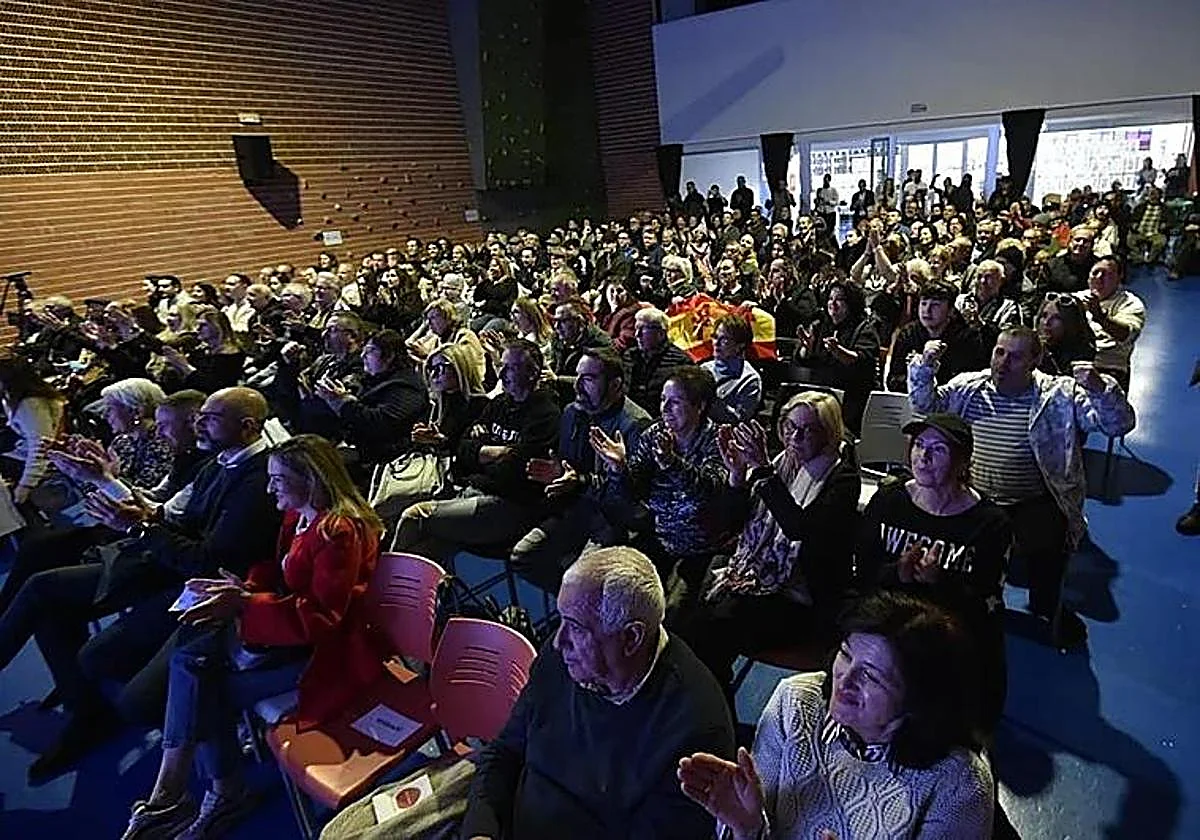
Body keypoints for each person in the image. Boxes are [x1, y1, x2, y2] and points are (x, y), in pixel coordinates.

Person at [0, 387, 282, 781]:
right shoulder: (217, 463)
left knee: (120, 683)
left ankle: (214, 759)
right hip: (168, 564)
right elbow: (165, 512)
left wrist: (140, 526)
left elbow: (208, 560)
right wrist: (100, 479)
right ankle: (89, 712)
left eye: (210, 418)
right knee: (48, 596)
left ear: (248, 427)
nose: (199, 424)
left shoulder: (257, 481)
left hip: (201, 587)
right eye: (199, 417)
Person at [120, 434, 383, 838]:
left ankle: (194, 795)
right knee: (192, 663)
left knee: (203, 689)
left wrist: (244, 604)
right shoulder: (299, 517)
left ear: (312, 480)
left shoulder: (339, 531)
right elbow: (280, 572)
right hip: (292, 638)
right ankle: (186, 796)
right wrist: (243, 587)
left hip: (330, 654)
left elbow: (323, 618)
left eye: (278, 479)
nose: (270, 488)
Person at [461, 546, 736, 839]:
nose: (558, 642)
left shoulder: (696, 731)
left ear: (631, 638)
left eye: (575, 628)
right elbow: (505, 751)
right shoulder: (564, 658)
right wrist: (481, 831)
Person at [678, 589, 993, 840]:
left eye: (870, 676)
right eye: (845, 654)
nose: (844, 680)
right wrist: (747, 829)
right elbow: (755, 826)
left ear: (918, 700)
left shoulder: (959, 784)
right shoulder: (797, 701)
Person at [908, 326, 1136, 647]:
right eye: (999, 352)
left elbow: (1120, 424)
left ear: (1034, 361)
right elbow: (924, 405)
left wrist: (1099, 387)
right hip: (974, 499)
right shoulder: (968, 388)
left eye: (1015, 357)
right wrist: (925, 367)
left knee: (1050, 540)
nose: (1002, 363)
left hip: (1032, 501)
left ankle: (1046, 604)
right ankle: (956, 601)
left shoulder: (1059, 395)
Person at [678, 392, 860, 694]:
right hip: (758, 579)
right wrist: (737, 477)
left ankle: (711, 706)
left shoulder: (843, 479)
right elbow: (729, 524)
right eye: (790, 427)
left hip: (800, 596)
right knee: (692, 619)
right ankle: (709, 700)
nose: (795, 437)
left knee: (711, 629)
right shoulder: (780, 464)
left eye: (807, 430)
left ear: (828, 433)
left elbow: (798, 529)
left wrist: (763, 470)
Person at [856, 414, 1012, 729]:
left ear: (962, 461)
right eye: (919, 445)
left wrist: (941, 582)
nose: (923, 457)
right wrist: (897, 573)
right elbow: (863, 572)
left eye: (938, 449)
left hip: (947, 633)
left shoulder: (989, 523)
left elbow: (985, 603)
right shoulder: (889, 500)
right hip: (889, 623)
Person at [393, 340, 560, 562]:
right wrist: (494, 453)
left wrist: (480, 453)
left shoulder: (546, 415)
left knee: (414, 517)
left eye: (511, 368)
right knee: (424, 548)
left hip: (511, 505)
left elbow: (515, 471)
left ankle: (384, 581)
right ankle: (404, 582)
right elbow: (463, 447)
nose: (502, 375)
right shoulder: (499, 403)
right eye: (501, 366)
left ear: (532, 372)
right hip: (477, 490)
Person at [590, 367, 733, 611]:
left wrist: (671, 463)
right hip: (659, 537)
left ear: (699, 406)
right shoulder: (654, 434)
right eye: (663, 399)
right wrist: (619, 468)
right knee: (615, 594)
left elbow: (708, 494)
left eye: (675, 402)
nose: (665, 408)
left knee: (673, 610)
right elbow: (632, 494)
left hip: (701, 547)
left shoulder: (718, 440)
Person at [512, 347, 651, 590]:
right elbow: (570, 469)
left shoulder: (635, 426)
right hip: (576, 509)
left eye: (588, 378)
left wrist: (580, 481)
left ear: (615, 385)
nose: (577, 385)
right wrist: (559, 474)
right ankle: (573, 603)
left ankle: (578, 602)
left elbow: (628, 502)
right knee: (523, 557)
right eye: (577, 376)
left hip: (613, 522)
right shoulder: (572, 413)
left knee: (578, 581)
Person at [312, 328, 428, 473]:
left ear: (389, 356)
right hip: (360, 447)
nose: (363, 355)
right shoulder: (376, 379)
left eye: (370, 351)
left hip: (385, 460)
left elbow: (380, 424)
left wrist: (342, 402)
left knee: (319, 466)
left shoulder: (406, 386)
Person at [793, 281, 881, 434]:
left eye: (839, 299)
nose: (833, 304)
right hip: (818, 395)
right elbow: (802, 361)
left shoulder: (864, 328)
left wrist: (838, 351)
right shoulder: (819, 325)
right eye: (830, 298)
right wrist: (806, 349)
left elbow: (861, 361)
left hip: (850, 400)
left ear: (851, 304)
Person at [886, 281, 986, 393]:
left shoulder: (967, 338)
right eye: (923, 303)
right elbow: (893, 380)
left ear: (951, 310)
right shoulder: (908, 334)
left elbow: (972, 382)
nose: (927, 310)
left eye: (935, 305)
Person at [0, 353, 66, 506]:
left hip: (36, 463)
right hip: (21, 452)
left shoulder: (30, 404)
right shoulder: (13, 397)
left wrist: (26, 484)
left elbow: (41, 446)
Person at [1080, 256, 1145, 392]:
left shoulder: (1130, 303)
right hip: (1075, 363)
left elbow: (1126, 335)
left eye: (1107, 274)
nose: (1099, 278)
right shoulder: (1077, 299)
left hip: (1107, 368)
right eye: (1095, 273)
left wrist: (1100, 317)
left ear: (1119, 278)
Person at [623, 307, 695, 418]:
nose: (637, 334)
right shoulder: (630, 356)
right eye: (636, 328)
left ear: (661, 333)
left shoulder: (681, 362)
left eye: (643, 329)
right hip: (629, 416)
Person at [702, 314, 763, 423]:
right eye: (715, 337)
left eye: (724, 339)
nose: (716, 343)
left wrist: (712, 399)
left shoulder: (750, 380)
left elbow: (739, 420)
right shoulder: (704, 369)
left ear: (740, 345)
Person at [1034, 294, 1096, 377]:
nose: (1046, 322)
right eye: (1044, 315)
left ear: (1071, 323)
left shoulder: (1084, 357)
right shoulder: (1032, 351)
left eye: (1056, 318)